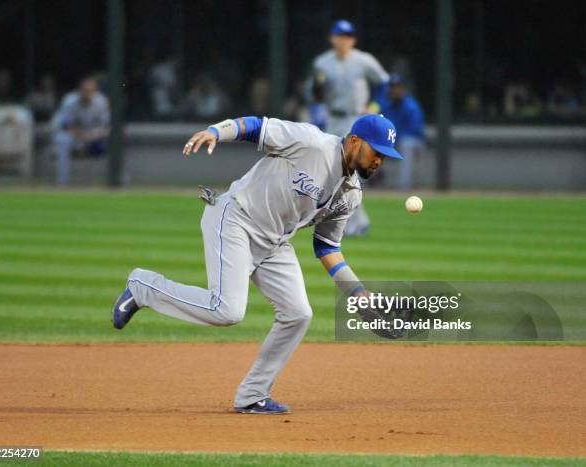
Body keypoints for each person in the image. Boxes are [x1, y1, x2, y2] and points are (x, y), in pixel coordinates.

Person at [112, 114, 403, 414]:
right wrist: (216, 132)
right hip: (236, 218)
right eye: (377, 151)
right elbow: (256, 127)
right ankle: (143, 287)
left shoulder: (352, 195)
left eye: (385, 156)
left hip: (274, 243)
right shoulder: (311, 143)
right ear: (355, 140)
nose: (380, 160)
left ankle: (253, 395)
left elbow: (326, 245)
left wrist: (358, 294)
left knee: (298, 314)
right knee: (226, 311)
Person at [309, 19, 390, 236]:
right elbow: (315, 95)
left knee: (347, 169)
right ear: (332, 38)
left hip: (357, 119)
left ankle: (354, 222)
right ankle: (354, 222)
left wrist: (375, 104)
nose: (343, 40)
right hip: (332, 118)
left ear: (352, 40)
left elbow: (383, 82)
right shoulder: (323, 62)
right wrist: (317, 116)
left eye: (347, 37)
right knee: (335, 171)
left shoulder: (364, 61)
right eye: (339, 36)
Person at [52, 76, 110, 186]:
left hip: (93, 135)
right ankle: (62, 182)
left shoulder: (101, 101)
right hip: (75, 135)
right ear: (80, 90)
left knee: (115, 142)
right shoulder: (70, 100)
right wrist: (83, 136)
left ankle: (119, 180)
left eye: (91, 90)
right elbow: (66, 125)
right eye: (85, 90)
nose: (88, 93)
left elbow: (108, 126)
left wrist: (96, 135)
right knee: (62, 139)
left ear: (95, 91)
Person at [371, 74, 425, 190]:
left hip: (413, 143)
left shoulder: (411, 106)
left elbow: (415, 131)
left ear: (403, 89)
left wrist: (393, 138)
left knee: (407, 143)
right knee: (372, 143)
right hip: (393, 142)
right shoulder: (385, 105)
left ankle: (404, 186)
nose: (394, 90)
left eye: (397, 87)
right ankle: (371, 180)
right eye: (392, 87)